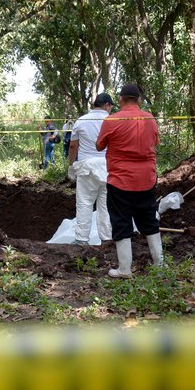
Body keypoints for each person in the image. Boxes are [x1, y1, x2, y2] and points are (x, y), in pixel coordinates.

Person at [95, 83, 163, 277]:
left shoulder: (111, 120)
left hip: (120, 181)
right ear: (140, 101)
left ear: (120, 100)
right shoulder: (150, 118)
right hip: (146, 179)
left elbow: (99, 146)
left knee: (121, 221)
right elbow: (155, 142)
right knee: (149, 219)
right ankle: (159, 264)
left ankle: (125, 269)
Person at [67, 93, 114, 246]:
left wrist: (70, 165)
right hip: (107, 167)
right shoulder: (111, 121)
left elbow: (73, 145)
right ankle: (107, 239)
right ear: (107, 105)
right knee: (106, 205)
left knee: (85, 203)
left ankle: (81, 239)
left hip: (87, 167)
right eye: (111, 107)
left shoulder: (81, 120)